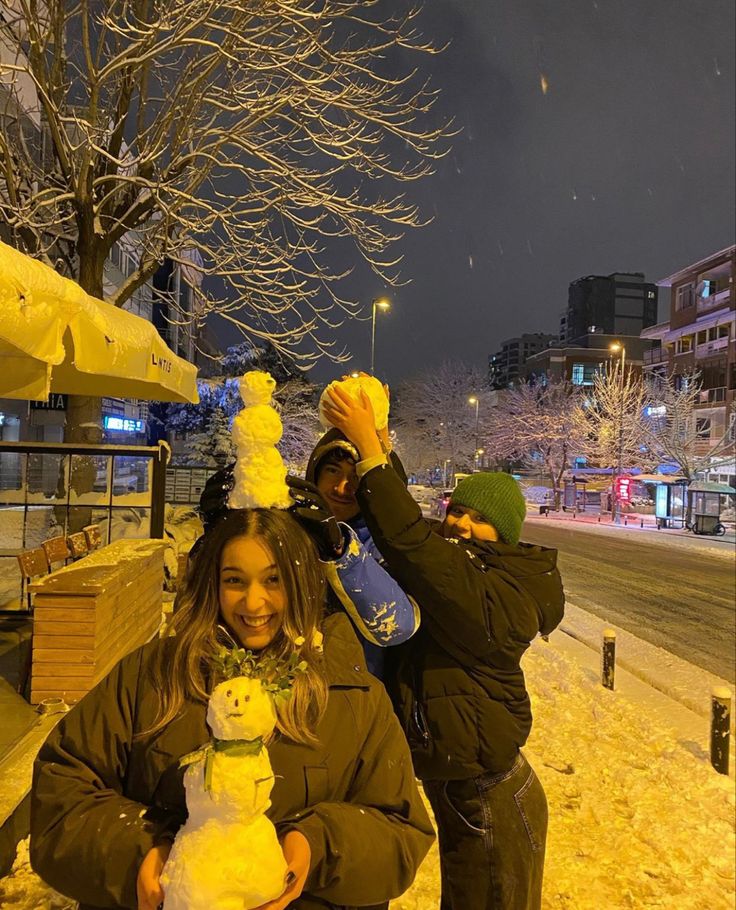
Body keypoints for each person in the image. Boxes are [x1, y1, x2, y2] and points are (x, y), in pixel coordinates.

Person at [30, 508, 434, 910]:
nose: (253, 601)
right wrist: (143, 855)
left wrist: (315, 847)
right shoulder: (153, 676)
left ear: (302, 584)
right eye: (235, 581)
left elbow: (400, 832)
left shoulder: (353, 694)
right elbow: (63, 794)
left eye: (273, 580)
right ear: (213, 584)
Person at [322, 384, 565, 910]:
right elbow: (404, 532)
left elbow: (413, 543)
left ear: (504, 533)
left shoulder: (500, 595)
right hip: (465, 791)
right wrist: (378, 447)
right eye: (458, 511)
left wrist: (369, 448)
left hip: (494, 797)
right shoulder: (466, 566)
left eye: (478, 519)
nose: (460, 524)